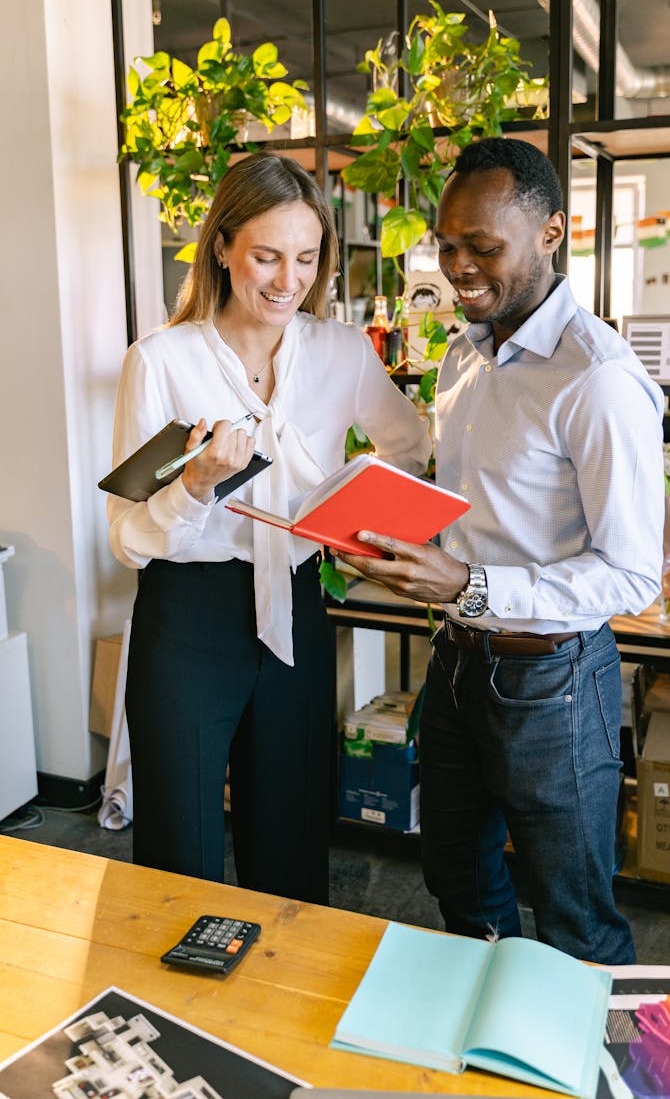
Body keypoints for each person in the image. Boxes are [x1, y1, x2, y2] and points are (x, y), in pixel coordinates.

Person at [334, 137, 665, 963]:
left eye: (484, 247)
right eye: (448, 245)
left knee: (574, 916)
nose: (459, 267)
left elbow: (630, 573)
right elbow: (473, 514)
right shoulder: (460, 355)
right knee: (456, 875)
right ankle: (492, 1047)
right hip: (455, 666)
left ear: (553, 231)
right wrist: (390, 541)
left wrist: (468, 581)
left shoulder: (597, 379)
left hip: (550, 683)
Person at [107, 152, 431, 903]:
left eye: (307, 258)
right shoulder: (159, 361)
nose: (290, 280)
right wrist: (193, 486)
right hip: (188, 619)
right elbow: (125, 536)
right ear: (221, 246)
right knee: (179, 851)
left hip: (297, 606)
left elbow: (409, 450)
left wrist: (354, 528)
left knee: (290, 844)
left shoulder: (341, 353)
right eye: (267, 256)